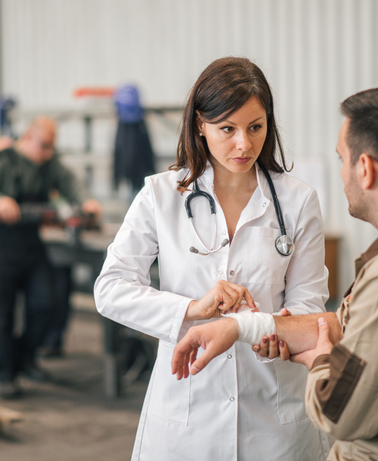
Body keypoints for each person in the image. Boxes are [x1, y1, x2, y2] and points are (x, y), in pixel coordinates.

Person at [171, 86, 378, 460]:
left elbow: (338, 410)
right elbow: (343, 323)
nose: (342, 173)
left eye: (342, 159)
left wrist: (319, 360)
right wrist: (240, 328)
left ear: (365, 169)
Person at [94, 57, 331, 460]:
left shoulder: (297, 201)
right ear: (200, 125)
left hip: (274, 416)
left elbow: (310, 302)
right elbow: (110, 289)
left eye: (256, 127)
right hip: (188, 416)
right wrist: (192, 308)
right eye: (227, 129)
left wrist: (275, 332)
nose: (244, 144)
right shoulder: (162, 195)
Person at [0, 116, 101, 398]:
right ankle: (6, 374)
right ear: (28, 138)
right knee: (1, 312)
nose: (48, 153)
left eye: (52, 147)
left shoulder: (48, 164)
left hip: (30, 242)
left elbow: (70, 182)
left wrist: (86, 201)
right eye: (44, 146)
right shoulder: (2, 161)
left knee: (46, 302)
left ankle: (25, 358)